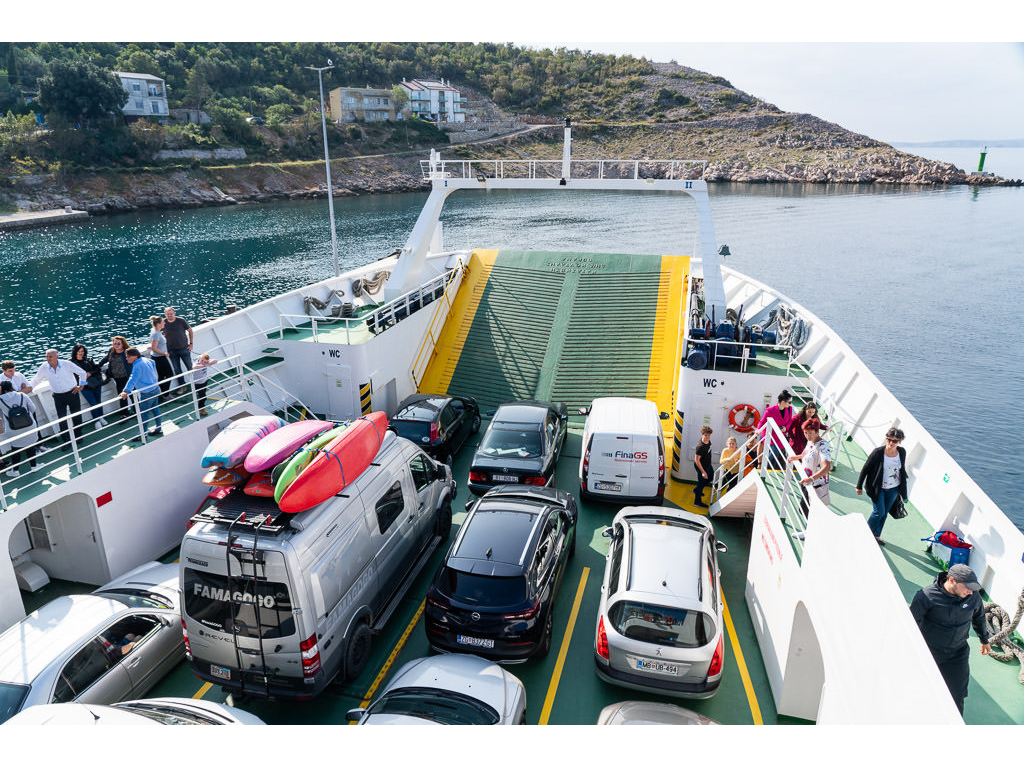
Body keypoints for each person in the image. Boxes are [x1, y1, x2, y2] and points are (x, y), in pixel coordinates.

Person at [910, 563, 992, 716]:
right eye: (967, 587)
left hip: (957, 654)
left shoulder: (972, 596)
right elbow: (910, 624)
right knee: (920, 693)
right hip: (929, 653)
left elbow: (979, 617)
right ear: (952, 580)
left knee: (957, 695)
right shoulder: (926, 596)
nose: (970, 591)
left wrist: (984, 639)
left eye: (973, 588)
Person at [856, 426, 908, 545]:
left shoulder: (902, 452)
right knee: (879, 511)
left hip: (893, 488)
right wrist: (859, 486)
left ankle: (877, 535)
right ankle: (865, 533)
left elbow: (902, 471)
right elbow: (865, 469)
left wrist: (904, 494)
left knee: (884, 513)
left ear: (899, 442)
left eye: (894, 441)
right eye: (889, 439)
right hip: (878, 488)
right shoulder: (878, 452)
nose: (891, 442)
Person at [28, 349, 87, 450]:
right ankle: (66, 441)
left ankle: (78, 436)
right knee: (62, 419)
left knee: (76, 415)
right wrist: (27, 390)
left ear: (57, 357)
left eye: (50, 356)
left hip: (72, 393)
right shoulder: (44, 367)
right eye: (47, 356)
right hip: (58, 396)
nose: (48, 359)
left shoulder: (67, 364)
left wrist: (81, 386)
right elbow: (36, 380)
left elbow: (82, 373)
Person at [787, 418, 831, 537]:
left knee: (808, 508)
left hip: (816, 483)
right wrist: (796, 457)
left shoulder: (823, 445)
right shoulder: (810, 442)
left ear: (817, 432)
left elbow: (827, 467)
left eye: (810, 433)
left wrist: (811, 479)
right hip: (806, 481)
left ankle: (810, 532)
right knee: (805, 507)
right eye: (805, 433)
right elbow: (806, 454)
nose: (807, 435)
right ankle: (812, 530)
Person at [120, 347, 162, 437]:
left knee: (144, 413)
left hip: (147, 393)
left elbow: (133, 379)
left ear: (134, 356)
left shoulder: (137, 366)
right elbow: (153, 363)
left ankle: (142, 434)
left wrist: (126, 391)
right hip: (155, 388)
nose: (126, 358)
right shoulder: (145, 359)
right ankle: (159, 428)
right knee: (155, 409)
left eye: (127, 357)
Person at [0, 380, 39, 476]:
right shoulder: (22, 395)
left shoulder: (0, 400)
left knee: (15, 449)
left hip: (13, 429)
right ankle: (34, 466)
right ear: (12, 386)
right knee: (30, 445)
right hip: (29, 426)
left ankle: (15, 471)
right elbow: (33, 408)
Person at [757, 390, 795, 469]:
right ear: (783, 402)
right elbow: (762, 421)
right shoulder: (770, 410)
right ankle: (763, 466)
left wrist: (786, 428)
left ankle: (769, 470)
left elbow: (790, 421)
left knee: (776, 454)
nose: (790, 404)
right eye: (789, 402)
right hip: (769, 434)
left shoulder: (789, 409)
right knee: (774, 450)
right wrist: (758, 430)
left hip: (780, 434)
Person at [71, 344, 107, 428]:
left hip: (95, 383)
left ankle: (101, 417)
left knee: (98, 401)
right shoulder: (71, 362)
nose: (80, 353)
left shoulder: (89, 359)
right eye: (79, 351)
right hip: (84, 386)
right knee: (93, 402)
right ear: (75, 352)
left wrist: (90, 373)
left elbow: (97, 369)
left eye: (82, 351)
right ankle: (96, 421)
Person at [98, 336, 132, 418]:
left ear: (122, 344)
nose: (116, 345)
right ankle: (124, 413)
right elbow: (106, 359)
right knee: (121, 396)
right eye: (114, 343)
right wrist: (98, 365)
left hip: (127, 377)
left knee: (131, 394)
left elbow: (138, 357)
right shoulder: (111, 351)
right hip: (117, 378)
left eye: (118, 343)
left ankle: (137, 410)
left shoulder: (127, 352)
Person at [163, 307, 194, 387]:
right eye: (168, 314)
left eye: (171, 314)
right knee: (177, 370)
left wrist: (191, 343)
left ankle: (195, 383)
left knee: (190, 366)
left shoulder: (181, 320)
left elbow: (190, 330)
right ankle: (182, 386)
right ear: (165, 314)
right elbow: (156, 332)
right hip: (171, 351)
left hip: (184, 348)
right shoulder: (163, 322)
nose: (169, 315)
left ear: (174, 313)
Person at [149, 316, 173, 396]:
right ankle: (165, 394)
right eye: (163, 322)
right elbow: (154, 348)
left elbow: (153, 344)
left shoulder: (154, 331)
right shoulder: (156, 333)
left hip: (157, 357)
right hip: (159, 358)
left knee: (161, 376)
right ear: (159, 324)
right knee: (169, 374)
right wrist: (164, 353)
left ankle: (165, 394)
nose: (164, 323)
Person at [693, 425, 713, 508]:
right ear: (702, 435)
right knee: (701, 483)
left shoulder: (708, 442)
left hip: (708, 464)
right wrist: (703, 472)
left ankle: (696, 490)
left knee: (711, 477)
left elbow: (708, 452)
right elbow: (697, 460)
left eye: (708, 435)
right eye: (705, 435)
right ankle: (697, 502)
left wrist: (710, 462)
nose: (707, 437)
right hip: (701, 467)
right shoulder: (700, 447)